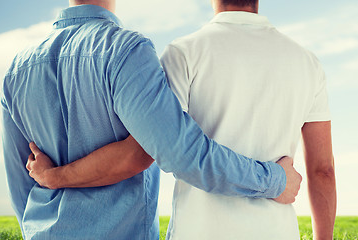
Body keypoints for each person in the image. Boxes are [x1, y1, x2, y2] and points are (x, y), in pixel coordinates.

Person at [25, 0, 336, 239]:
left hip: (198, 230)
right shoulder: (308, 63)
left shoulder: (184, 52)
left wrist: (57, 176)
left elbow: (144, 150)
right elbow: (323, 171)